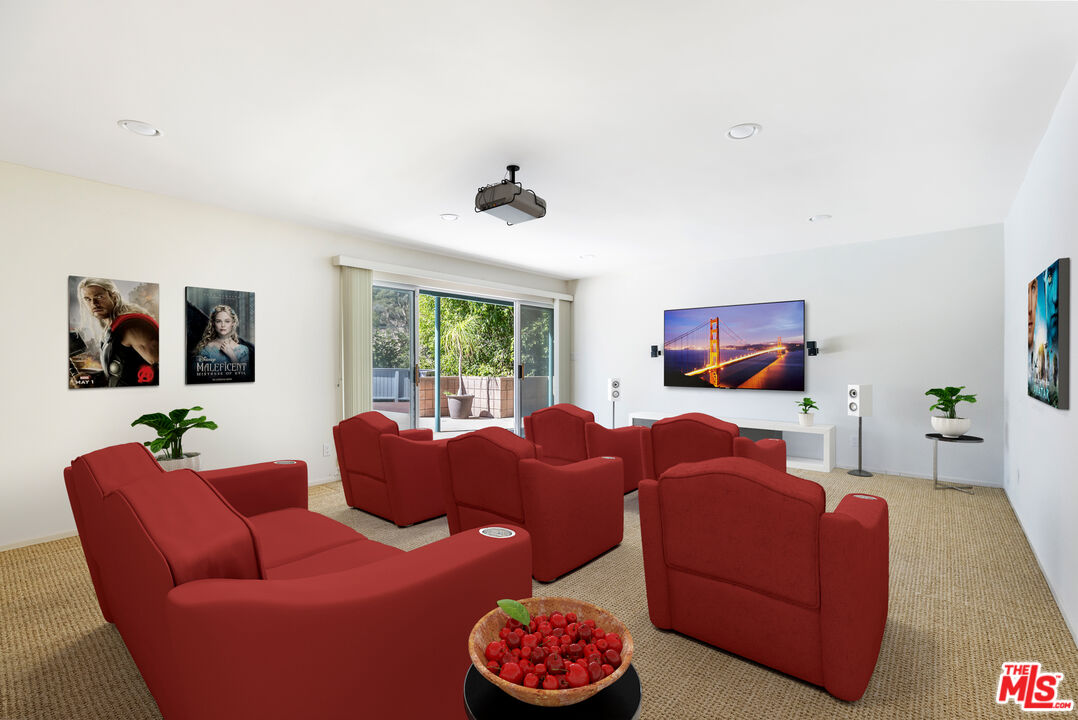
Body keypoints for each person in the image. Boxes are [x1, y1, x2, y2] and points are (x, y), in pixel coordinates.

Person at [76, 277, 159, 386]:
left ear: (114, 296)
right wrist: (87, 379)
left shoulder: (131, 326)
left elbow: (164, 367)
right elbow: (119, 373)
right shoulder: (112, 327)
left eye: (99, 297)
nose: (94, 303)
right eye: (87, 299)